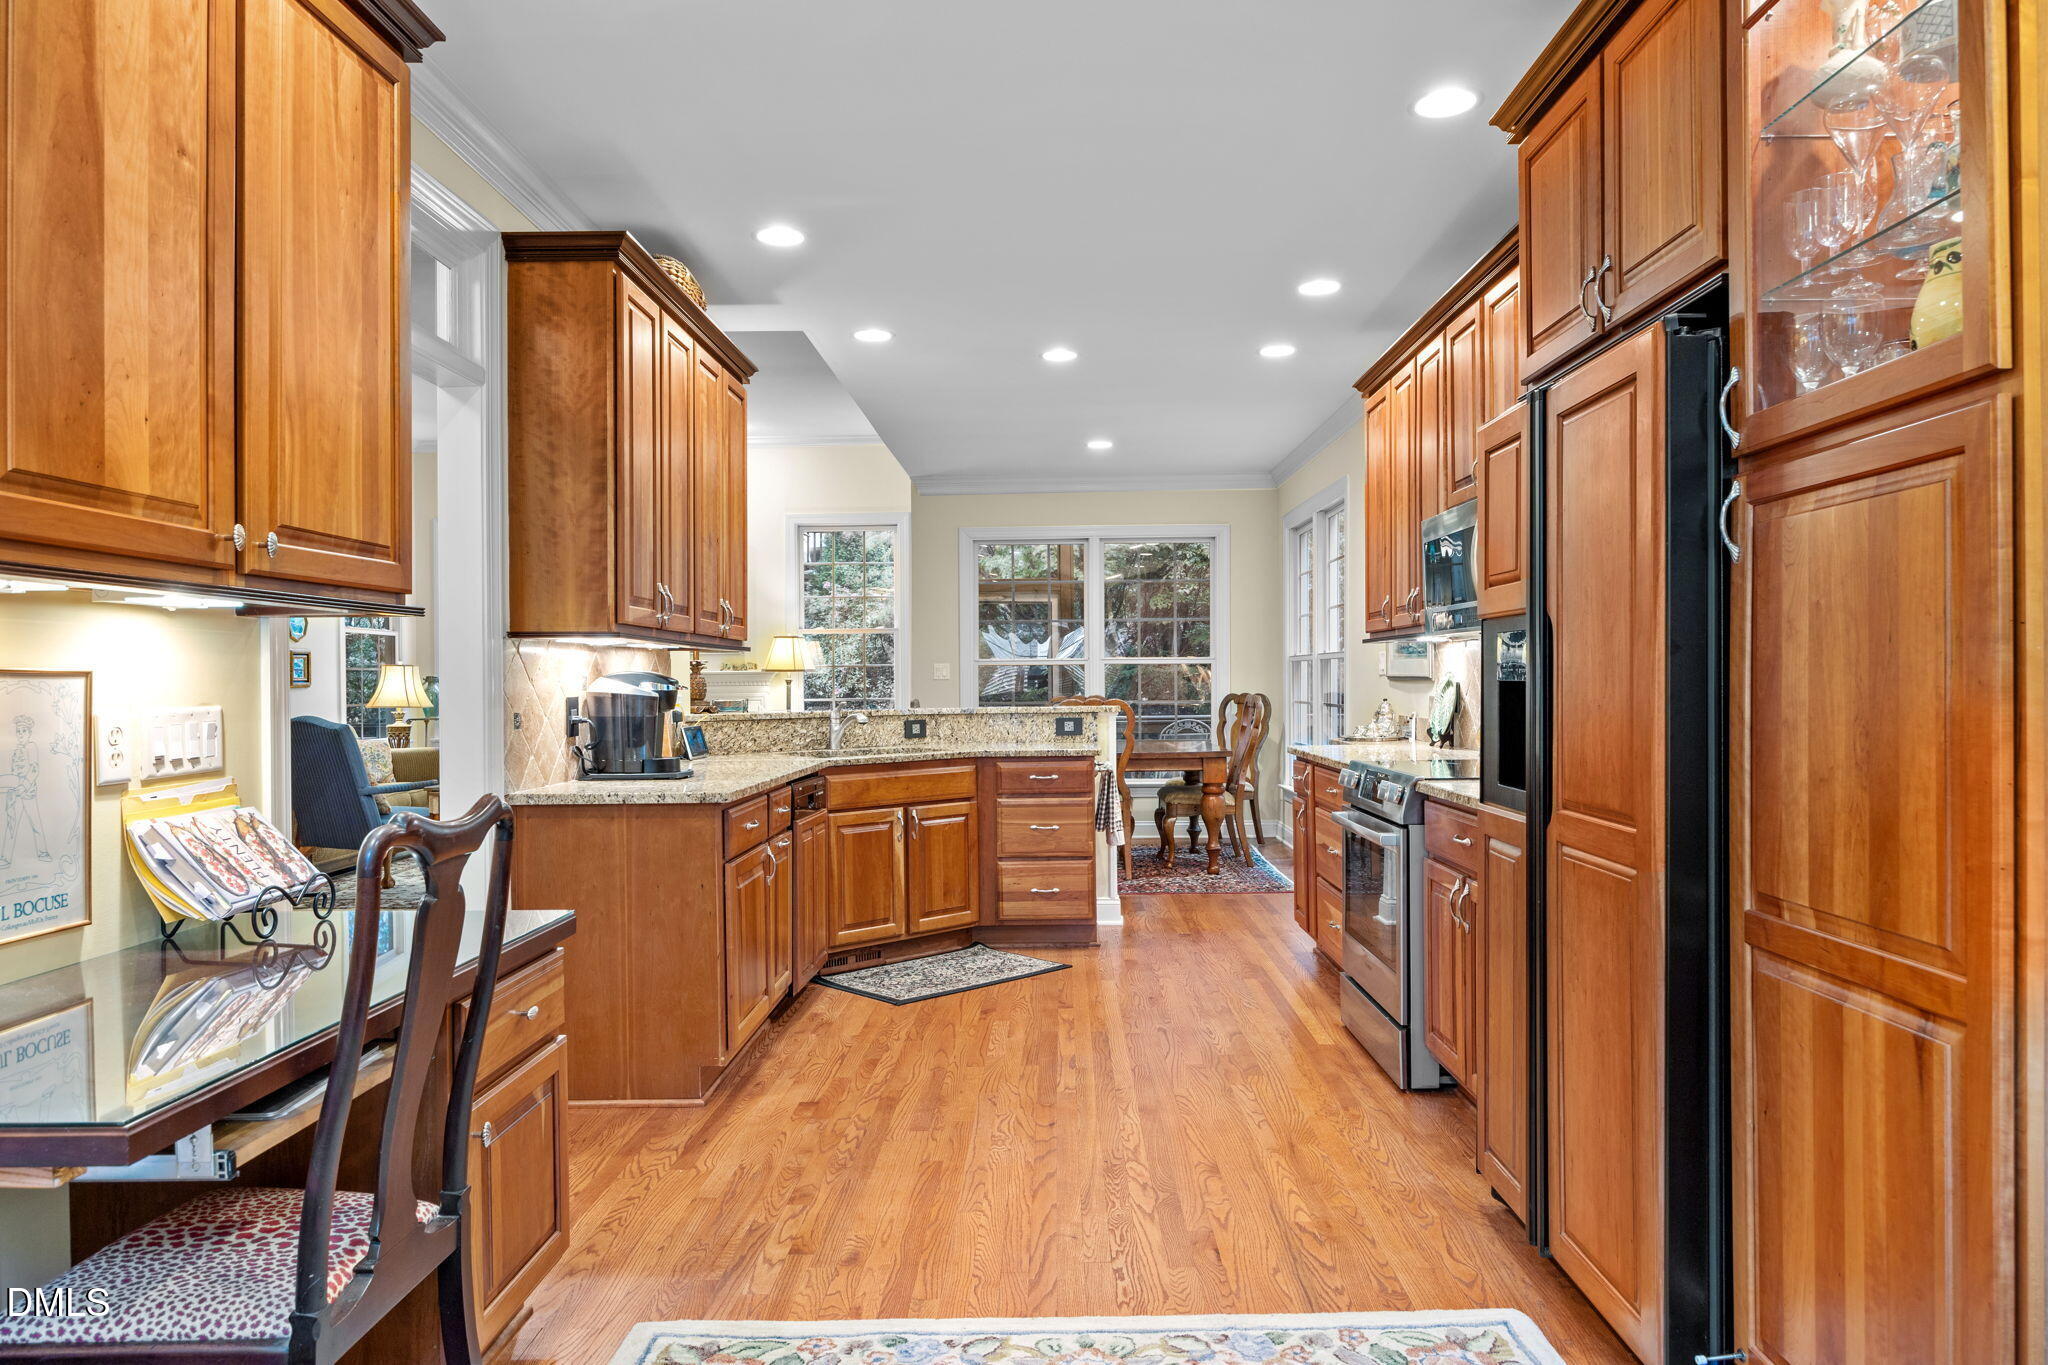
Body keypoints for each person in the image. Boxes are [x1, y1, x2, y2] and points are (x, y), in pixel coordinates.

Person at [0, 713, 51, 870]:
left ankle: (43, 853)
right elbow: (14, 773)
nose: (21, 734)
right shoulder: (16, 750)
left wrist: (24, 786)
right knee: (11, 824)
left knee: (35, 823)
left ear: (29, 733)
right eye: (18, 731)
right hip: (14, 793)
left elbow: (34, 770)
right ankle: (5, 858)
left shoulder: (31, 747)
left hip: (27, 793)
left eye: (23, 731)